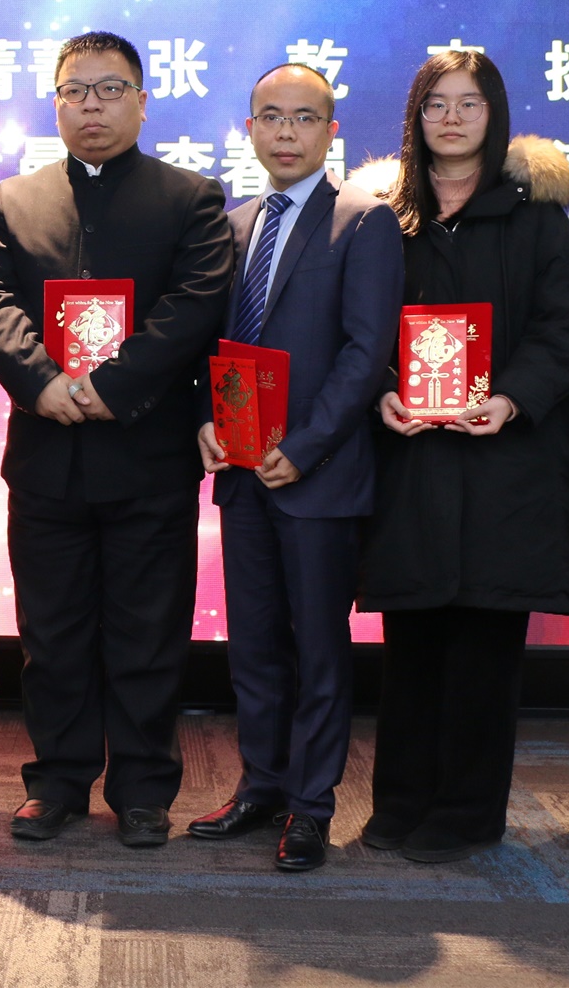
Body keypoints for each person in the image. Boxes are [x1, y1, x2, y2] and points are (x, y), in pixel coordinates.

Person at [0, 31, 233, 848]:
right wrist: (43, 382)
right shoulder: (14, 200)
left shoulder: (190, 198)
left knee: (148, 633)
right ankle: (56, 782)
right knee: (51, 635)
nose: (92, 106)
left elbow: (192, 309)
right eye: (75, 91)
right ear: (55, 103)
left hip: (147, 456)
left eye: (110, 89)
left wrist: (110, 388)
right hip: (46, 455)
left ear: (142, 102)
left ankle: (145, 789)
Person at [355, 51, 569, 863]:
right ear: (414, 119)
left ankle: (465, 813)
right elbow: (356, 328)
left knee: (483, 646)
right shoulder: (385, 222)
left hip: (505, 462)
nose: (452, 119)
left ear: (495, 116)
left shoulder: (538, 221)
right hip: (412, 459)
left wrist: (512, 397)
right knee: (413, 638)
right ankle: (400, 802)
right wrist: (382, 389)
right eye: (436, 104)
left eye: (470, 103)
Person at [189, 63, 403, 871]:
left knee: (317, 649)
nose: (286, 132)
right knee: (252, 647)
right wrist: (205, 421)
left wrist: (305, 447)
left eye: (304, 117)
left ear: (331, 130)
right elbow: (210, 346)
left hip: (320, 476)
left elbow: (365, 353)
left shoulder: (363, 221)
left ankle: (311, 807)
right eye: (271, 117)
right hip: (242, 472)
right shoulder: (234, 225)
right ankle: (261, 786)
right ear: (249, 130)